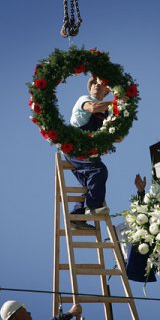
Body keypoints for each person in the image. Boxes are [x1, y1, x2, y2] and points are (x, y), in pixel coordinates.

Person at [67, 76, 116, 230]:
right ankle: (92, 208)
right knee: (99, 170)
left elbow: (117, 137)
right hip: (74, 147)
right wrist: (117, 104)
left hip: (89, 152)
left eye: (99, 83)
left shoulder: (107, 113)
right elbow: (93, 108)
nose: (95, 85)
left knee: (90, 184)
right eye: (93, 83)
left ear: (107, 89)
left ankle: (77, 217)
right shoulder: (85, 99)